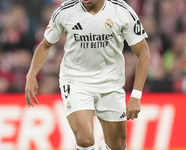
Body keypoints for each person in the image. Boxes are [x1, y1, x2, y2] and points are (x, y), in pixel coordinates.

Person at [25, 0, 150, 149]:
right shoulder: (66, 11)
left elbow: (143, 53)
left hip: (110, 84)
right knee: (85, 139)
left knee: (118, 146)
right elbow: (45, 45)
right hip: (76, 82)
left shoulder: (121, 11)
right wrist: (31, 74)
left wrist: (136, 96)